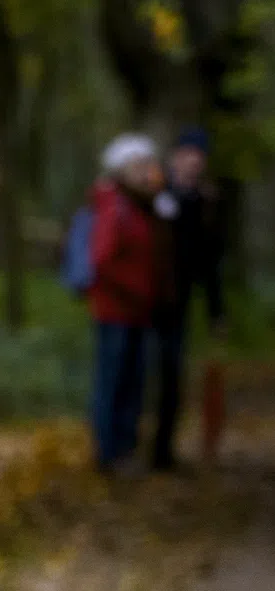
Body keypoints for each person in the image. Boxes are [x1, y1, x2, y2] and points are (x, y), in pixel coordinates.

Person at [86, 134, 167, 472]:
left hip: (137, 313)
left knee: (133, 383)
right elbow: (102, 260)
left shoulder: (142, 207)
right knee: (113, 382)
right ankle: (108, 452)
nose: (146, 172)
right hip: (115, 312)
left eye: (148, 164)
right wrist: (134, 290)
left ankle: (125, 448)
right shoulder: (114, 207)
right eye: (139, 165)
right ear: (121, 170)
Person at [151, 126, 226, 471]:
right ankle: (120, 445)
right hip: (145, 299)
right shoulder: (153, 193)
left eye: (199, 159)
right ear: (176, 157)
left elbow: (210, 262)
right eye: (188, 157)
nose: (193, 164)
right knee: (140, 373)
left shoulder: (205, 203)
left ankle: (161, 451)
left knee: (171, 374)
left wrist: (216, 311)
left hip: (177, 303)